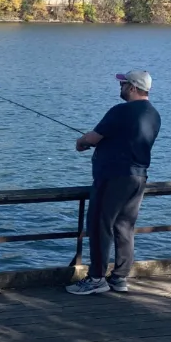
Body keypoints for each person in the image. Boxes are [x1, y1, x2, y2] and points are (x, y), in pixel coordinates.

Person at [68, 70, 161, 295]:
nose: (120, 87)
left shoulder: (121, 111)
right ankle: (119, 277)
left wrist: (81, 141)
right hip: (138, 177)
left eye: (123, 84)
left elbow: (93, 138)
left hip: (114, 177)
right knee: (124, 226)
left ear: (132, 88)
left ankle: (97, 278)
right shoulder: (154, 114)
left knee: (100, 225)